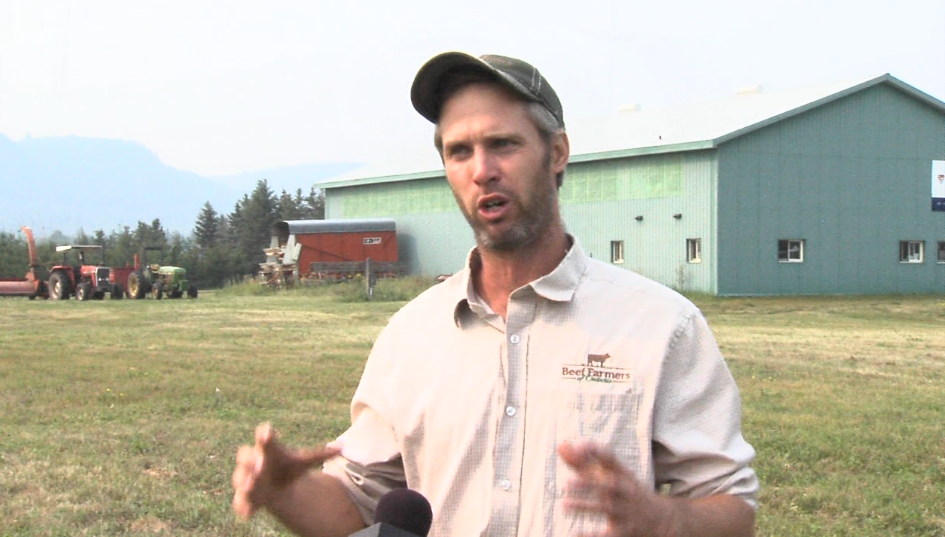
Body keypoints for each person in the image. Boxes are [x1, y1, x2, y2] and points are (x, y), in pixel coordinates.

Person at [233, 52, 759, 537]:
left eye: (502, 144)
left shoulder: (660, 326)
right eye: (459, 151)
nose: (482, 170)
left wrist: (663, 519)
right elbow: (359, 505)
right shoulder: (411, 336)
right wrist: (284, 491)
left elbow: (730, 507)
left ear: (556, 153)